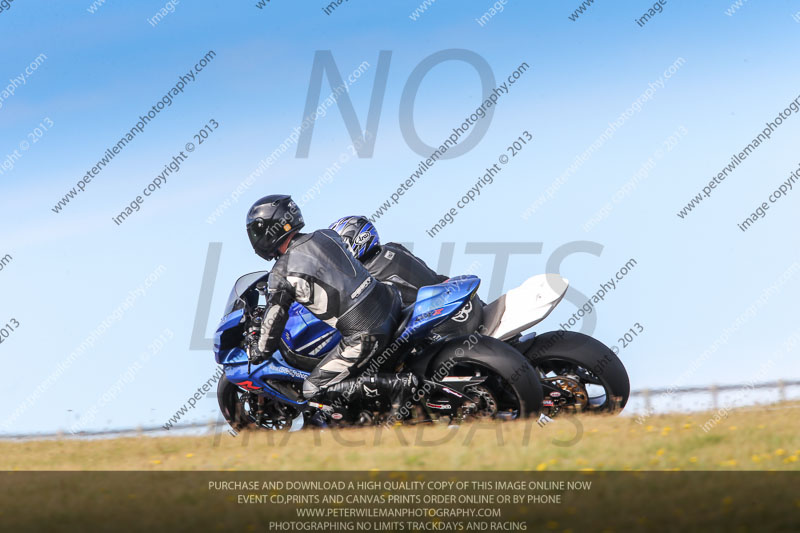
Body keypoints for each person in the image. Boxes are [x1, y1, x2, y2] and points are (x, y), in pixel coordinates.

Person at [245, 195, 418, 424]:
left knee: (312, 388)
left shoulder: (281, 273)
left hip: (365, 332)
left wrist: (259, 351)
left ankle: (399, 385)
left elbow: (275, 319)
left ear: (268, 230)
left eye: (256, 230)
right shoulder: (327, 235)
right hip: (390, 300)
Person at [329, 216, 483, 335]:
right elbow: (434, 276)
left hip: (441, 321)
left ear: (358, 238)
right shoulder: (394, 248)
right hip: (464, 303)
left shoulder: (366, 273)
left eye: (341, 248)